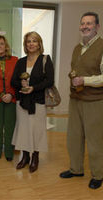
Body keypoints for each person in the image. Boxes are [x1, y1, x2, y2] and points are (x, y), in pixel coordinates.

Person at [60, 12, 103, 189]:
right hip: (76, 99)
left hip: (94, 101)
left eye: (89, 23)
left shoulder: (102, 46)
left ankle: (98, 174)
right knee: (74, 138)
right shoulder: (77, 48)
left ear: (97, 27)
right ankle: (76, 169)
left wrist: (84, 81)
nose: (85, 26)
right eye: (82, 23)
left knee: (95, 140)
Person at [11, 31, 54, 173]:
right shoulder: (21, 61)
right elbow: (13, 81)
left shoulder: (45, 60)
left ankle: (35, 157)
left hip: (38, 101)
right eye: (29, 41)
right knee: (23, 130)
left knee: (36, 130)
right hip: (23, 101)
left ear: (39, 44)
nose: (31, 44)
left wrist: (33, 88)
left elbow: (49, 80)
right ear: (25, 44)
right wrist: (21, 84)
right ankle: (24, 157)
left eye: (34, 41)